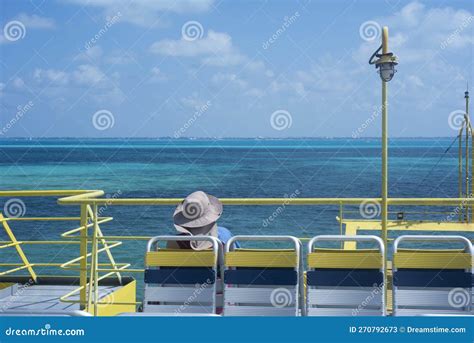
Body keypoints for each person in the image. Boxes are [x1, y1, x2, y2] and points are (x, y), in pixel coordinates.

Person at [168, 191, 239, 250]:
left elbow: (168, 267)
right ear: (210, 215)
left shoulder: (174, 241)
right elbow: (234, 264)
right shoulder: (225, 236)